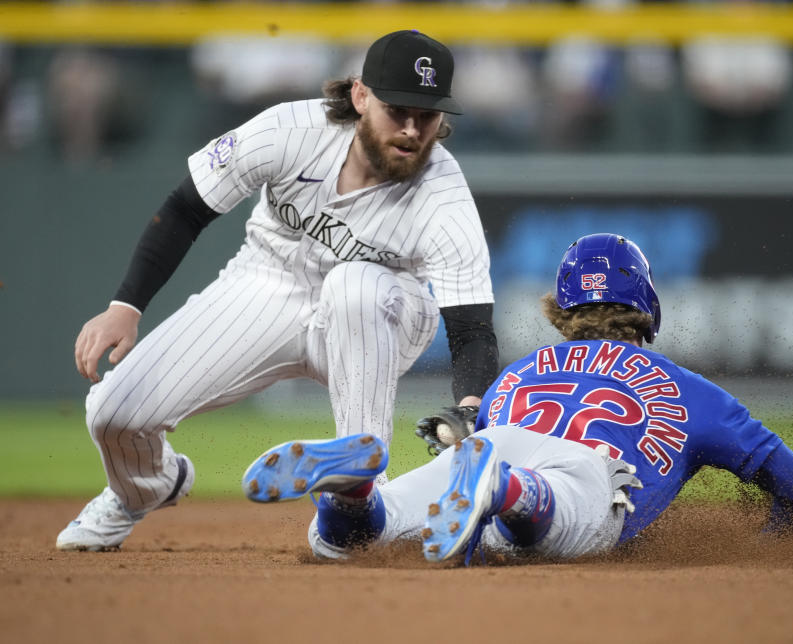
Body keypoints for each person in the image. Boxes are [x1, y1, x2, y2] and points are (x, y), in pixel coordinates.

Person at [56, 30, 498, 551]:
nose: (410, 129)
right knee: (113, 416)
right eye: (397, 109)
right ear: (359, 97)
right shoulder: (289, 130)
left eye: (426, 116)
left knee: (354, 283)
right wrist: (124, 306)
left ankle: (357, 501)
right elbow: (185, 209)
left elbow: (470, 330)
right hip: (266, 284)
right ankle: (145, 488)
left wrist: (470, 409)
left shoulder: (444, 197)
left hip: (382, 311)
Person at [241, 233, 793, 565]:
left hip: (492, 442)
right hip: (580, 473)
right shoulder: (689, 388)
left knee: (354, 542)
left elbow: (481, 460)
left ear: (562, 306)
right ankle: (506, 492)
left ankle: (353, 494)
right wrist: (767, 553)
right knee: (550, 519)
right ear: (646, 303)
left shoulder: (517, 375)